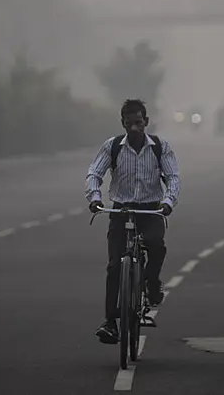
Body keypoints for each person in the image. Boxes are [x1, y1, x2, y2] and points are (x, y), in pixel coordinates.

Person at [85, 99, 181, 344]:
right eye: (129, 124)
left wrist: (168, 202)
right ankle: (109, 321)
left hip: (151, 210)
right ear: (123, 124)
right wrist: (95, 198)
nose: (135, 129)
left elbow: (173, 177)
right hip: (121, 211)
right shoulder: (113, 147)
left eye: (139, 123)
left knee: (156, 245)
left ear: (146, 122)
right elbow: (94, 173)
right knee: (115, 266)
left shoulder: (160, 147)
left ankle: (152, 283)